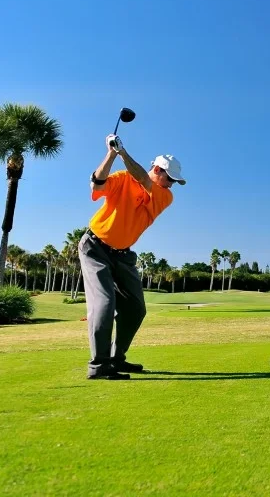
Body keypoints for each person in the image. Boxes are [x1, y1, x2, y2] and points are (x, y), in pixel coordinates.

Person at [78, 133, 186, 380]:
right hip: (95, 247)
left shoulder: (164, 196)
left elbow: (141, 179)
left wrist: (123, 152)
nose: (171, 184)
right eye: (169, 179)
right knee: (105, 304)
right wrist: (111, 154)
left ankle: (117, 359)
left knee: (136, 309)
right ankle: (99, 366)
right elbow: (97, 185)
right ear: (157, 169)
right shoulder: (122, 178)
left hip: (123, 255)